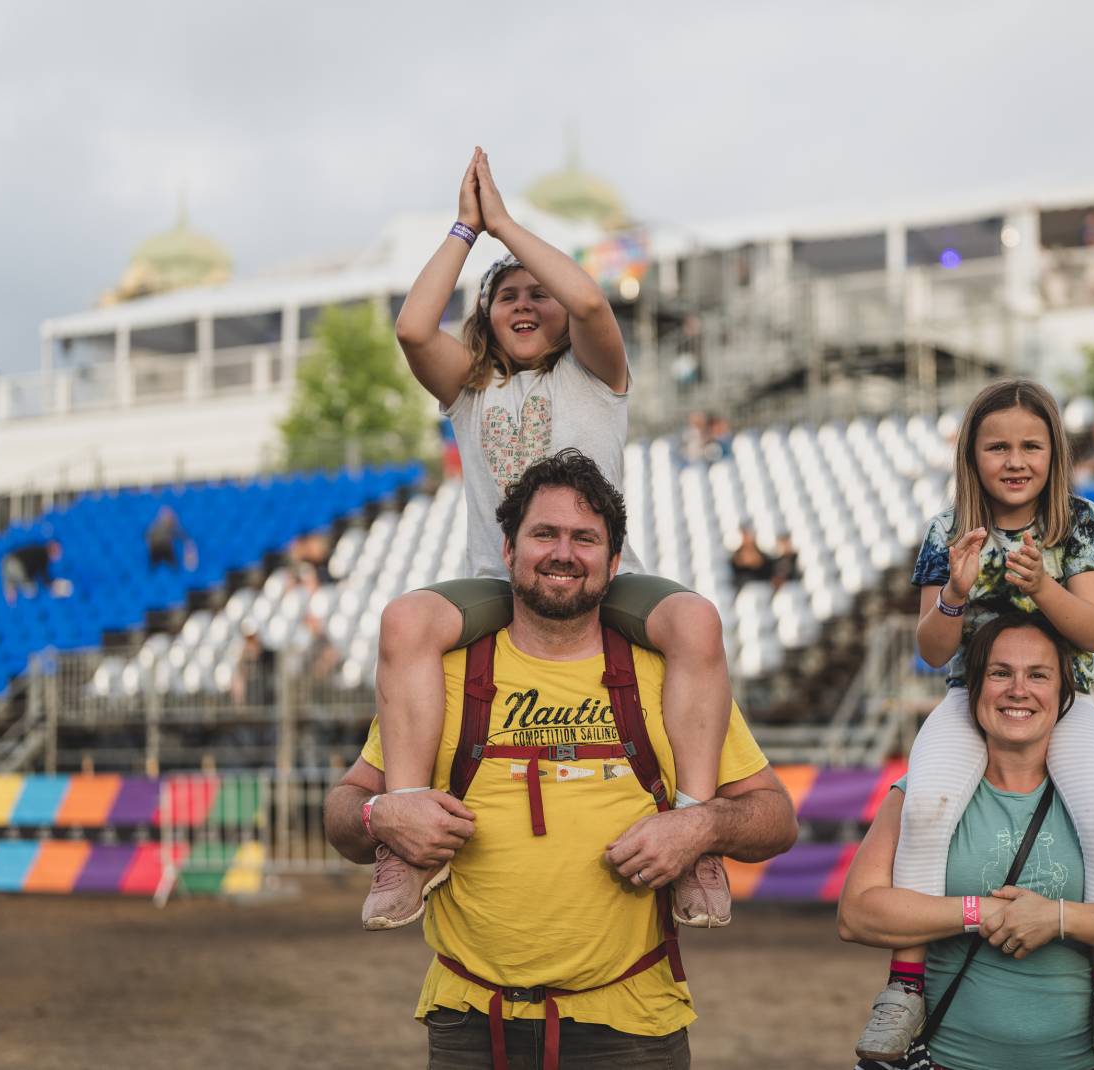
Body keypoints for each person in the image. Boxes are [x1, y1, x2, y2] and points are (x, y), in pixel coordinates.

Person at [323, 451, 798, 1070]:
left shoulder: (670, 678)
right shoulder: (438, 677)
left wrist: (701, 826)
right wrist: (380, 818)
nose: (563, 553)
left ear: (615, 561)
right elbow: (343, 810)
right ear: (508, 549)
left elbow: (777, 818)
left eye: (585, 538)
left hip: (629, 1024)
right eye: (543, 533)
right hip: (471, 1022)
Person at [370, 148, 734, 931]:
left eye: (542, 292)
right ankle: (403, 838)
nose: (527, 302)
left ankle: (697, 833)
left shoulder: (596, 376)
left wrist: (508, 223)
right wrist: (467, 230)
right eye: (509, 296)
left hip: (600, 578)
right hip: (499, 587)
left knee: (696, 621)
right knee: (403, 620)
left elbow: (594, 305)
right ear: (487, 313)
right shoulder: (470, 388)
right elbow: (409, 326)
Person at [851, 379, 1094, 1062]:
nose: (1015, 460)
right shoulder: (947, 530)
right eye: (997, 446)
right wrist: (957, 595)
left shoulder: (1078, 522)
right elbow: (931, 648)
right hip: (971, 702)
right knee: (926, 807)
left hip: (1066, 706)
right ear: (973, 455)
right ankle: (905, 988)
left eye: (1031, 445)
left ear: (1054, 454)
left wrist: (1042, 587)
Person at [838, 615, 1094, 1070]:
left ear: (1064, 693)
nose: (1018, 690)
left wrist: (1058, 918)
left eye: (1038, 675)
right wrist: (979, 911)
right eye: (999, 673)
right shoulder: (921, 793)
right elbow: (857, 915)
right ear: (973, 688)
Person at [0, 538, 64, 605]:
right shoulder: (43, 555)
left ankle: (11, 591)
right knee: (31, 589)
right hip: (16, 565)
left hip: (6, 561)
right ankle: (12, 592)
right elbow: (44, 575)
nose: (58, 556)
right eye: (58, 552)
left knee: (12, 582)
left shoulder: (38, 549)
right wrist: (52, 586)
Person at [146, 505, 197, 572]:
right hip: (158, 550)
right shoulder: (156, 526)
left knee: (173, 568)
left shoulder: (170, 525)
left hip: (165, 549)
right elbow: (148, 537)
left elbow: (181, 535)